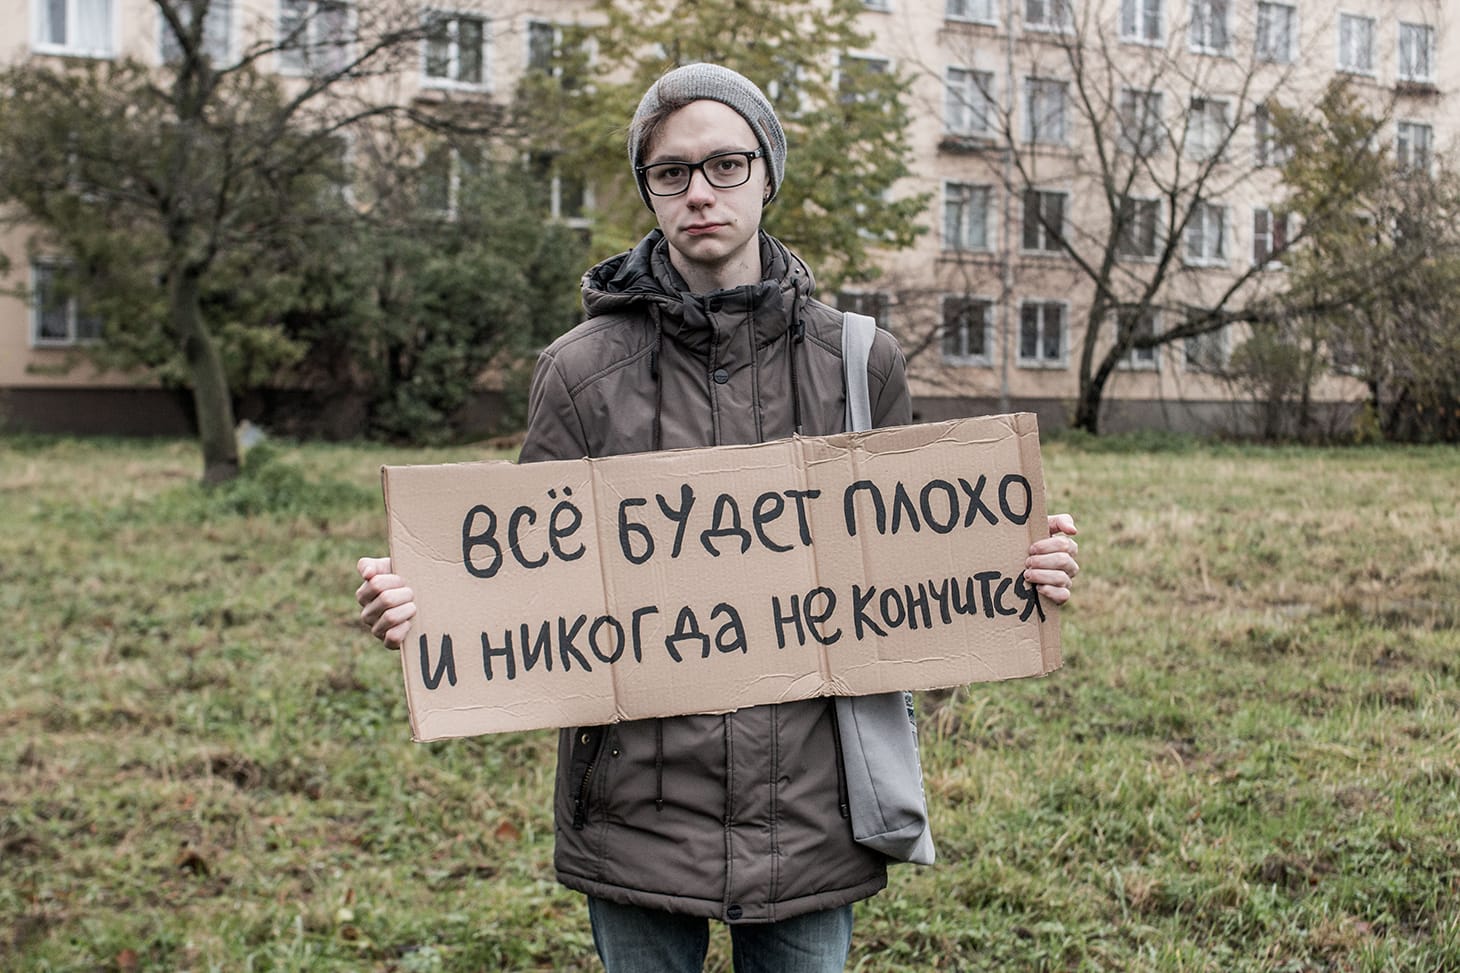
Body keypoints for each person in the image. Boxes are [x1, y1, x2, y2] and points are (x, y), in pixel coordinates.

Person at [357, 63, 1080, 973]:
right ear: (649, 190)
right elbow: (528, 584)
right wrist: (427, 606)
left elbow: (908, 571)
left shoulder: (860, 360)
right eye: (671, 172)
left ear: (767, 173)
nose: (700, 192)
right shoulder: (579, 372)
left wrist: (1016, 574)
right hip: (635, 814)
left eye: (726, 165)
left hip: (814, 812)